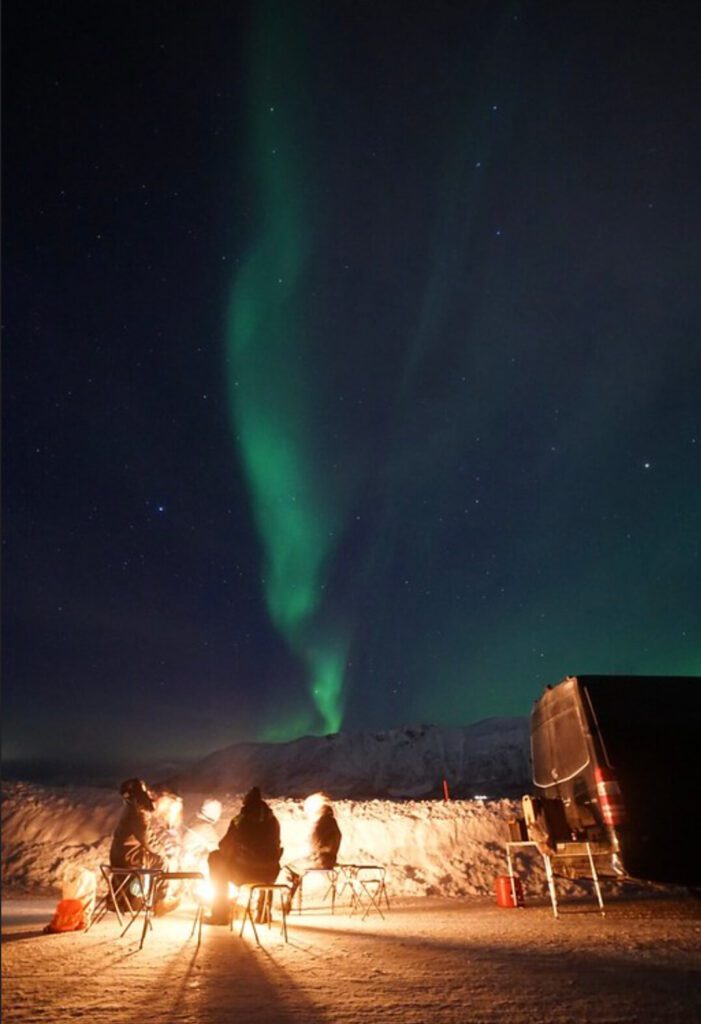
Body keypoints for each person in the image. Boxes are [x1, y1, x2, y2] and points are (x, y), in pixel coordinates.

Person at [207, 787, 282, 924]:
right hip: (269, 874)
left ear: (246, 804)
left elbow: (224, 846)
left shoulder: (239, 820)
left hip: (243, 873)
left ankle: (220, 914)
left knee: (215, 858)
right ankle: (263, 912)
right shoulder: (274, 822)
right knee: (268, 864)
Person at [110, 778, 177, 915]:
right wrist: (162, 850)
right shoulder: (138, 812)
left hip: (121, 854)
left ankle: (122, 899)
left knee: (156, 858)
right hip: (129, 857)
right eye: (145, 790)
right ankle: (161, 901)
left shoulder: (132, 809)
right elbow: (147, 838)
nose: (149, 794)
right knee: (162, 861)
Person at [283, 792, 342, 910]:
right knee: (296, 869)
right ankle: (287, 900)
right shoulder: (332, 823)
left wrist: (313, 852)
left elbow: (318, 845)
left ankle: (286, 900)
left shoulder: (323, 823)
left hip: (320, 860)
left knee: (289, 868)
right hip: (329, 860)